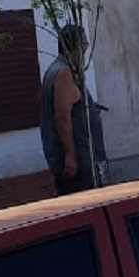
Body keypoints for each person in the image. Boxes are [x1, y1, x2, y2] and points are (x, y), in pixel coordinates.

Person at [40, 24, 104, 195]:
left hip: (78, 156)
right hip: (78, 160)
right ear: (74, 45)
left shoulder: (56, 70)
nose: (85, 48)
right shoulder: (63, 73)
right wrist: (70, 155)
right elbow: (62, 117)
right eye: (84, 44)